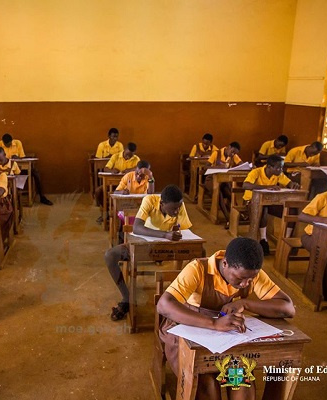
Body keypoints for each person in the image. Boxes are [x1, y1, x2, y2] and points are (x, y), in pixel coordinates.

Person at [157, 237, 295, 399]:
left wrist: (246, 304)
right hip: (186, 326)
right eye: (240, 279)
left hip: (225, 335)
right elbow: (164, 305)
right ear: (225, 264)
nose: (245, 284)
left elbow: (288, 308)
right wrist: (214, 323)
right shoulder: (197, 269)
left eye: (250, 280)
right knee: (206, 383)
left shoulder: (250, 271)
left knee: (242, 383)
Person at [104, 185, 192, 321]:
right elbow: (137, 228)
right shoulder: (149, 200)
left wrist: (176, 232)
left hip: (167, 248)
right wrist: (165, 234)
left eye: (178, 208)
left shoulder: (179, 205)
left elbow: (184, 229)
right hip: (143, 246)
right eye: (173, 209)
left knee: (199, 254)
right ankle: (127, 298)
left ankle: (183, 297)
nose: (176, 211)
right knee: (110, 256)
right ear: (162, 203)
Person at [242, 155, 300, 255]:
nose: (280, 170)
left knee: (292, 211)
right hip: (252, 202)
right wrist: (267, 187)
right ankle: (263, 240)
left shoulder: (278, 174)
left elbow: (288, 182)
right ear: (269, 167)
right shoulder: (256, 172)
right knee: (263, 208)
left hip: (271, 203)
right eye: (278, 168)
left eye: (281, 167)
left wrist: (292, 184)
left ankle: (285, 240)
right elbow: (245, 185)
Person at [0, 133, 53, 206]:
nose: (8, 146)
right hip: (3, 170)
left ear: (12, 141)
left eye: (9, 144)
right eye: (6, 145)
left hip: (17, 168)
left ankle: (42, 197)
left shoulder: (17, 143)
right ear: (3, 142)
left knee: (35, 173)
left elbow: (22, 157)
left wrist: (17, 158)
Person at [204, 142, 244, 227]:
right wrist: (218, 167)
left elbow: (241, 164)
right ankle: (228, 218)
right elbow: (206, 166)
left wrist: (247, 166)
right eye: (232, 151)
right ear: (228, 147)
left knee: (230, 193)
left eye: (235, 153)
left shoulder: (233, 155)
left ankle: (238, 214)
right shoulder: (216, 153)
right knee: (219, 194)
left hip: (223, 181)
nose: (233, 154)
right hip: (211, 180)